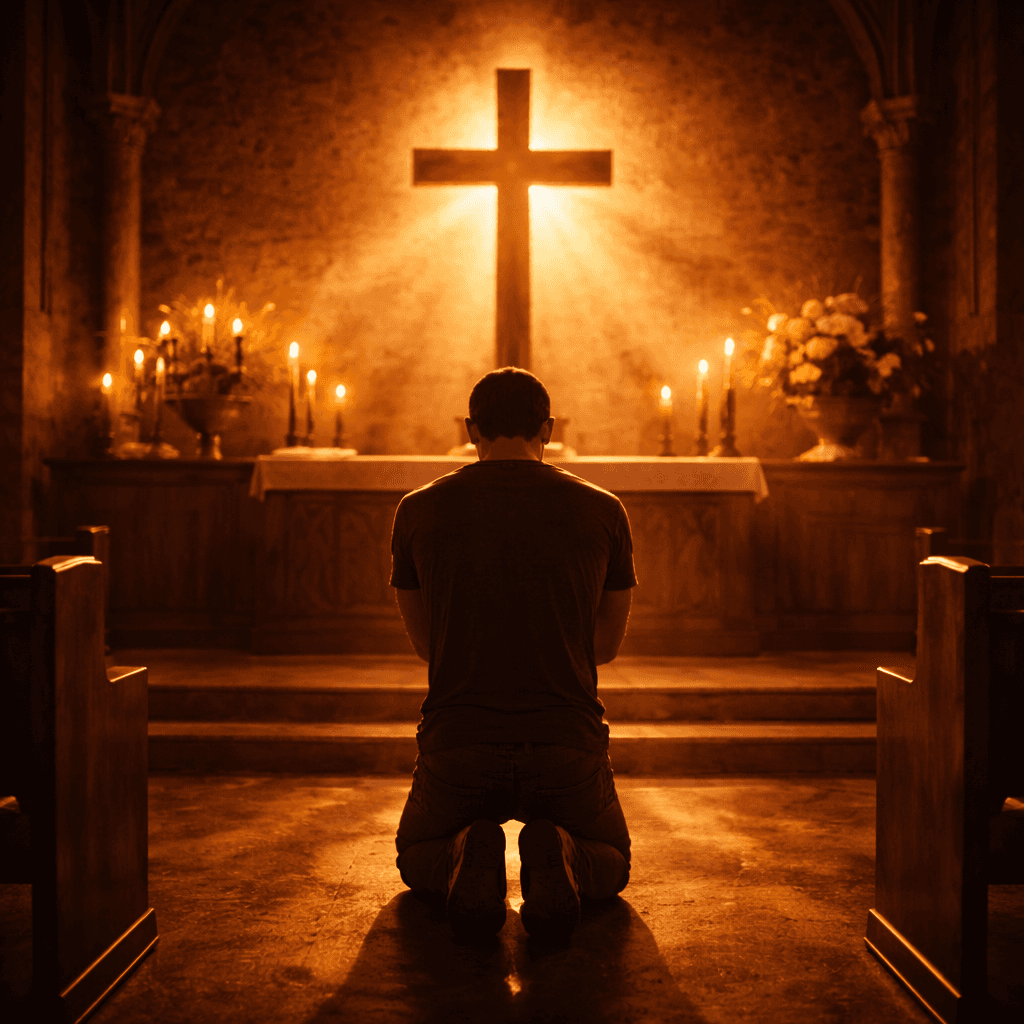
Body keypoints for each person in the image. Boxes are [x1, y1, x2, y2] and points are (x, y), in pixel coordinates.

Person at [389, 367, 636, 942]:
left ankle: (460, 852)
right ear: (547, 428)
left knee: (415, 852)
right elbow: (605, 647)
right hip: (565, 741)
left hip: (459, 742)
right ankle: (567, 853)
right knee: (613, 859)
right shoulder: (604, 510)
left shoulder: (417, 510)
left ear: (472, 428)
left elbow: (429, 645)